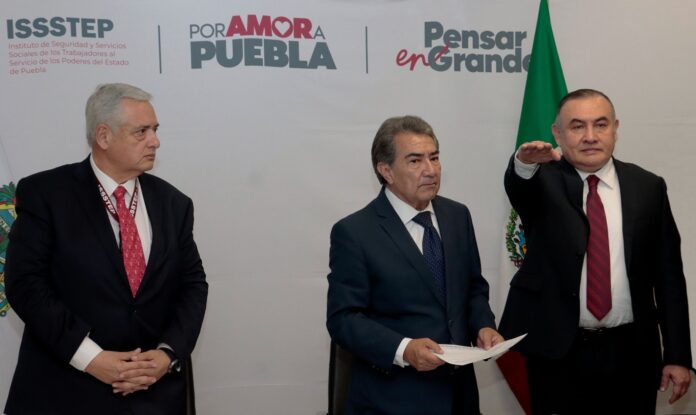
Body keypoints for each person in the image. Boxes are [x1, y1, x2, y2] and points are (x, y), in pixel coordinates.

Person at [4, 83, 208, 415]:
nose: (155, 141)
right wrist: (91, 358)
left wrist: (167, 354)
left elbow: (193, 285)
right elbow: (25, 284)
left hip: (155, 394)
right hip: (64, 392)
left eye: (155, 130)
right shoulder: (46, 194)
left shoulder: (174, 204)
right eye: (141, 131)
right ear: (103, 136)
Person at [498, 88, 691, 414]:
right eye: (577, 126)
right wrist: (523, 164)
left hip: (632, 354)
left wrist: (678, 355)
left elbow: (669, 278)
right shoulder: (541, 182)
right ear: (557, 133)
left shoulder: (648, 186)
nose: (590, 136)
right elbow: (520, 188)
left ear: (615, 129)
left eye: (600, 125)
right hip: (559, 355)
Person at [326, 115, 503, 415]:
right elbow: (343, 319)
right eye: (415, 161)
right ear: (386, 171)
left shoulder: (457, 216)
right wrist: (404, 349)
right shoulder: (355, 232)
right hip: (393, 399)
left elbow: (472, 287)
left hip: (460, 397)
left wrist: (483, 325)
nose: (430, 170)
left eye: (434, 158)